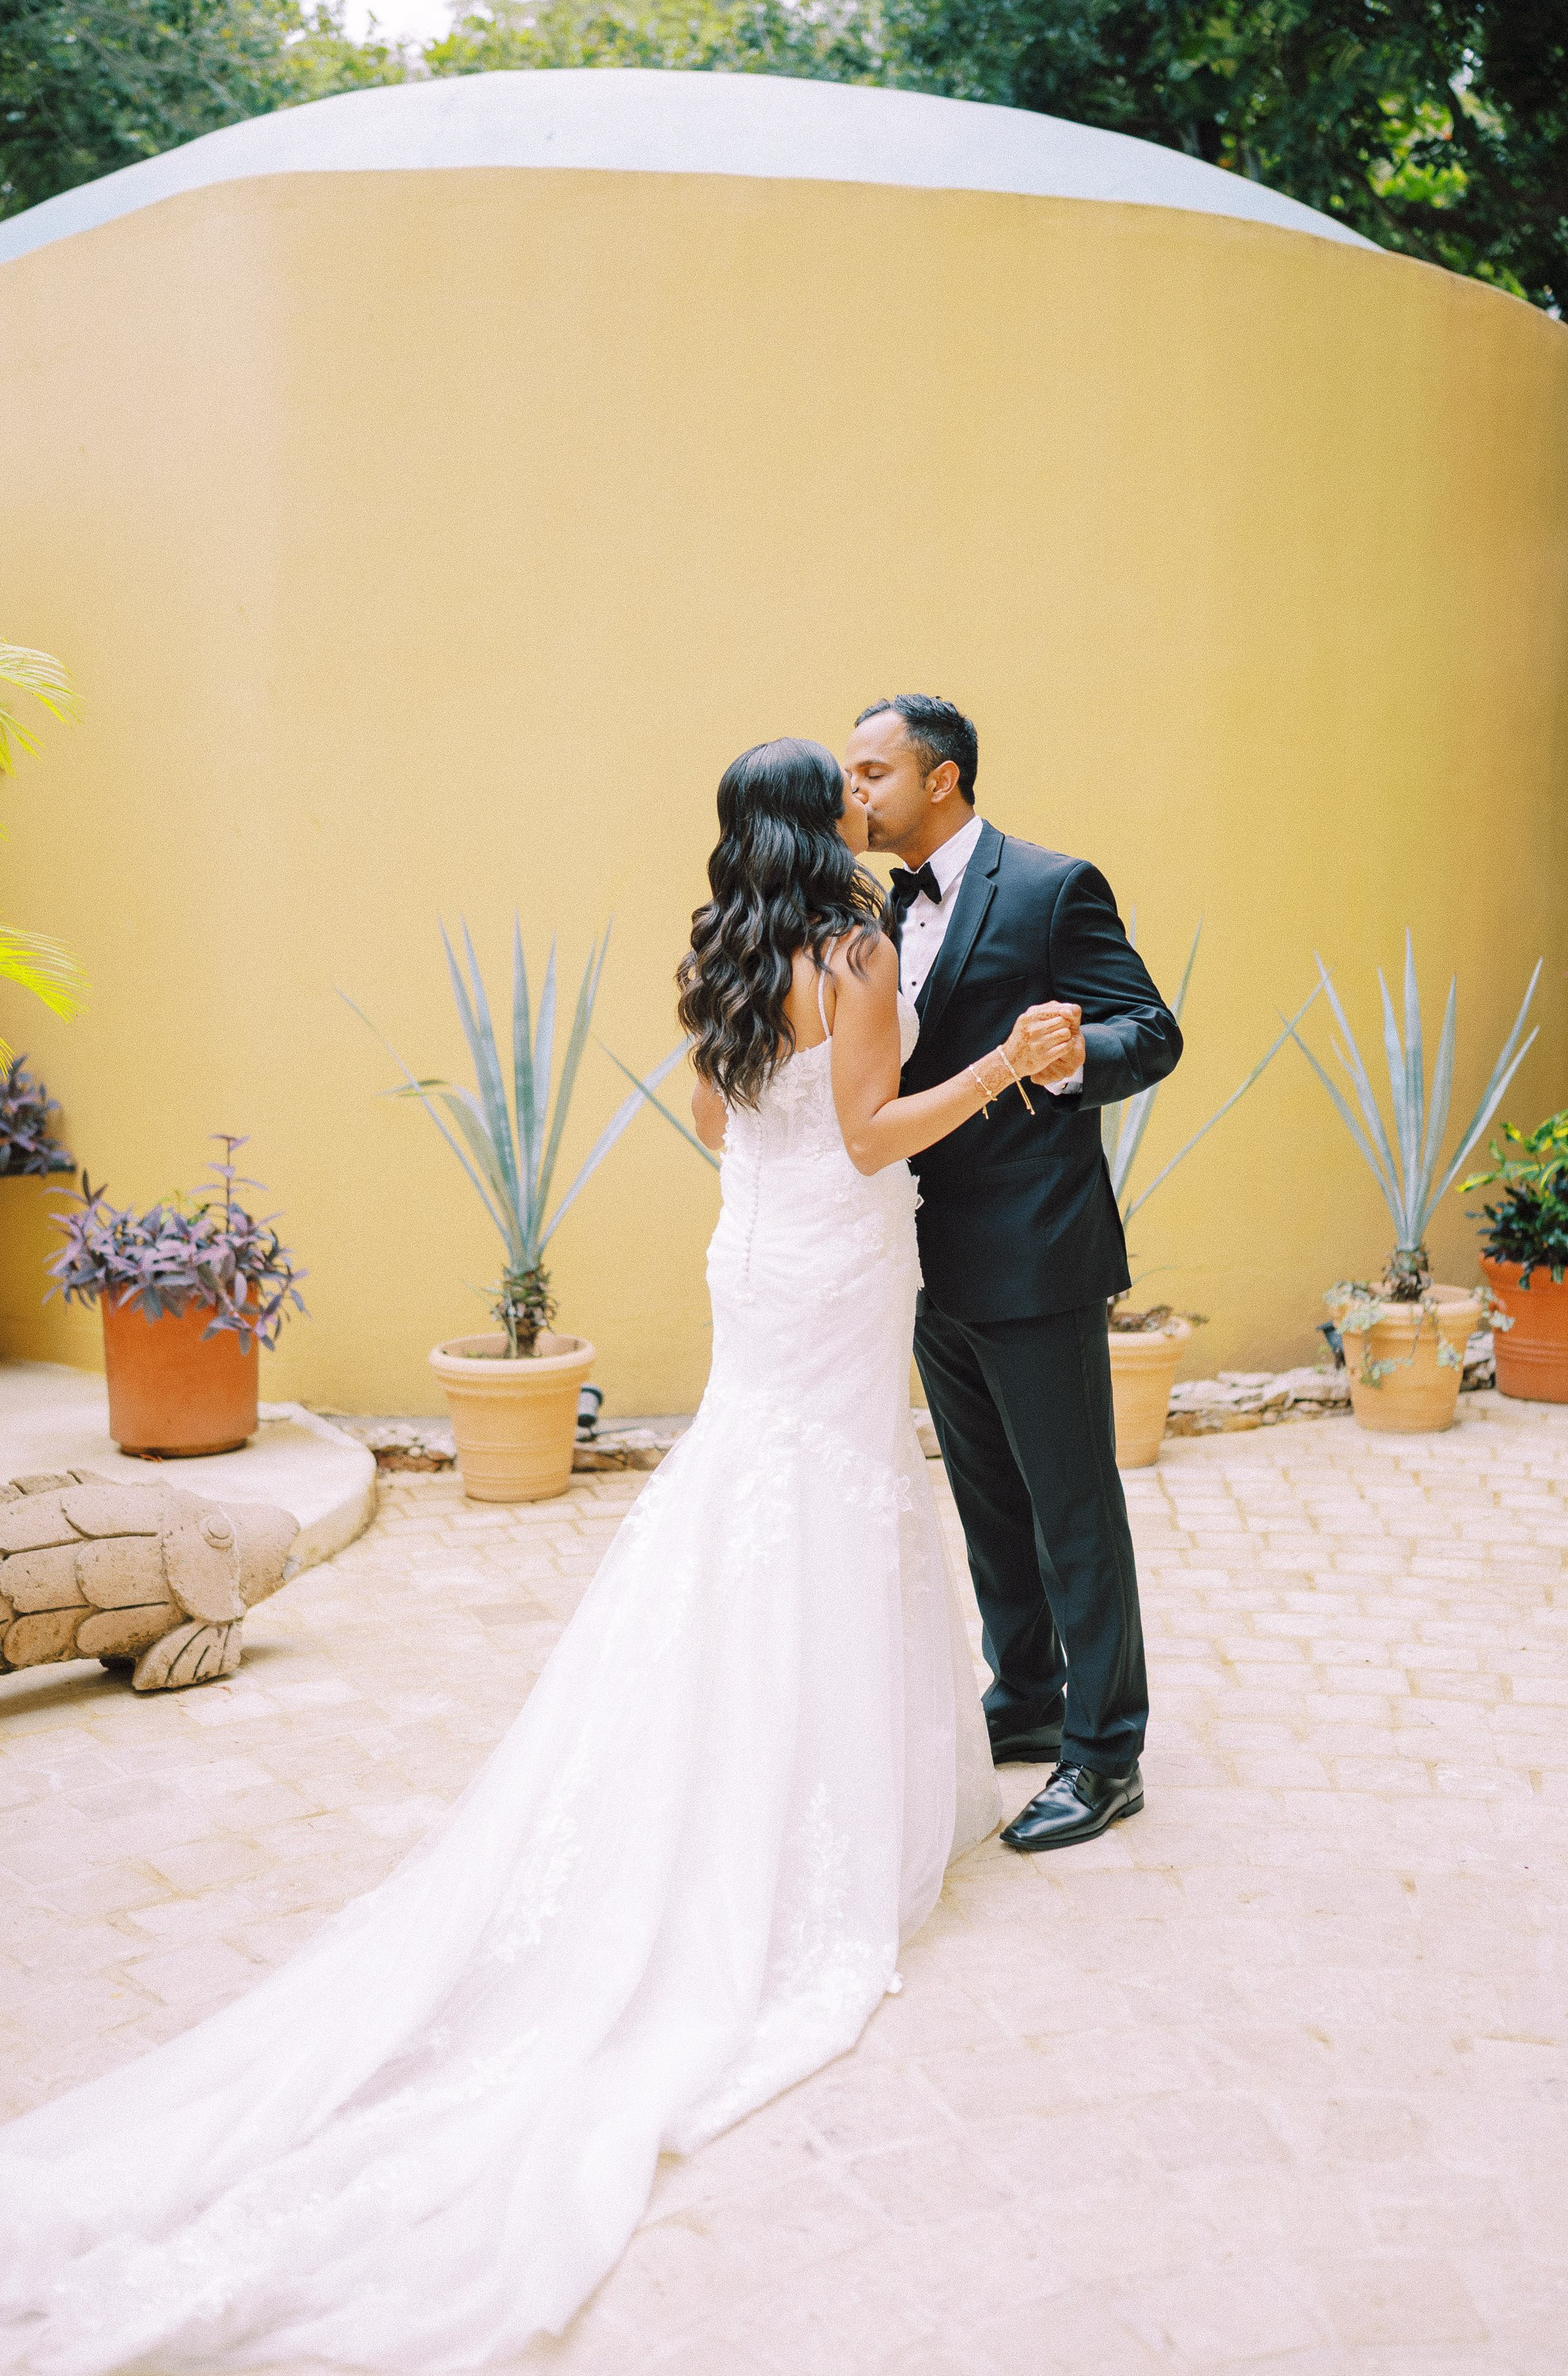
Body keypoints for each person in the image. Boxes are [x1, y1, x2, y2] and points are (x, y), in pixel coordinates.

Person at [0, 737, 1073, 2376]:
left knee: (759, 1487)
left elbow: (718, 1115)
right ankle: (810, 1793)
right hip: (839, 1259)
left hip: (757, 1260)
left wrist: (798, 1137)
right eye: (843, 792)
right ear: (816, 821)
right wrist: (998, 1065)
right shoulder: (854, 955)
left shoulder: (727, 951)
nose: (866, 805)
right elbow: (871, 1140)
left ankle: (742, 1739)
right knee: (826, 1494)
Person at [845, 695, 1182, 1853]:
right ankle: (1028, 1693)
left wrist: (1073, 1055)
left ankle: (1106, 1753)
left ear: (940, 778)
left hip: (1036, 1252)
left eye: (873, 772)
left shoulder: (1051, 887)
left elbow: (1152, 1029)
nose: (855, 793)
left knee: (1071, 1507)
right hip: (922, 1256)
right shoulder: (878, 909)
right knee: (989, 1502)